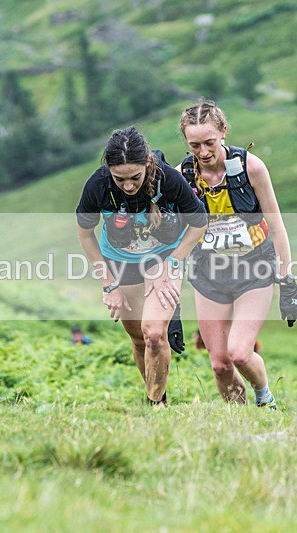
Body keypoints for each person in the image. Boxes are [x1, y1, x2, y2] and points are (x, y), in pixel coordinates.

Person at [176, 100, 297, 409]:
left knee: (240, 353)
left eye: (209, 142)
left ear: (223, 132)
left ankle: (265, 398)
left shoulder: (251, 168)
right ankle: (239, 421)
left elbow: (277, 227)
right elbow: (174, 237)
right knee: (220, 364)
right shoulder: (182, 176)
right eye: (195, 145)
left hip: (254, 269)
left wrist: (287, 282)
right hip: (209, 273)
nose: (203, 152)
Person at [77, 126, 207, 406]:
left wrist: (171, 264)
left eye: (135, 177)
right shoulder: (97, 185)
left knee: (155, 334)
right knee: (139, 339)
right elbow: (85, 234)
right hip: (121, 262)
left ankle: (154, 405)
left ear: (147, 163)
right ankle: (159, 398)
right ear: (109, 170)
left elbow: (199, 223)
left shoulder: (168, 179)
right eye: (119, 179)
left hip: (164, 258)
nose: (128, 186)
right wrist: (108, 283)